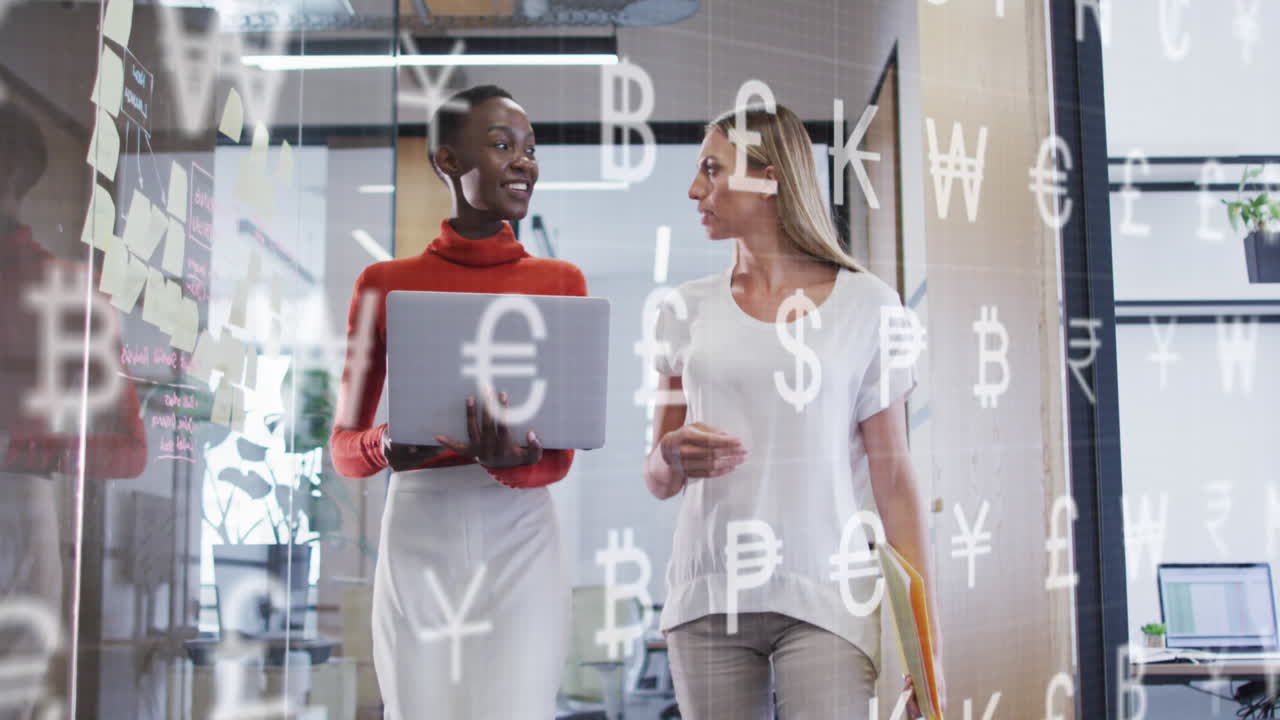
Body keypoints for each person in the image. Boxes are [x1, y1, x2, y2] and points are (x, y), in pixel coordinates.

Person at [644, 103, 946, 719]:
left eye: (712, 169)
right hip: (707, 596)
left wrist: (928, 649)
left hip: (827, 597)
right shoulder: (683, 309)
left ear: (770, 176)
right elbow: (657, 477)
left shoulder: (869, 306)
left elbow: (894, 482)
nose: (694, 189)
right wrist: (671, 453)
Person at [329, 85, 586, 720]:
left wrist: (511, 460)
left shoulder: (560, 284)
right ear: (447, 160)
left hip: (520, 531)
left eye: (531, 150)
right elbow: (344, 449)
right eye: (503, 146)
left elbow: (560, 460)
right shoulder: (383, 284)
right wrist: (386, 445)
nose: (525, 163)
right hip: (420, 528)